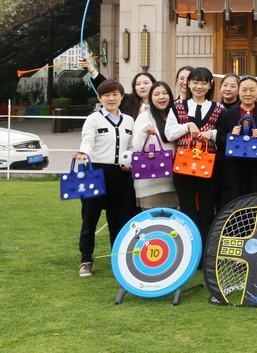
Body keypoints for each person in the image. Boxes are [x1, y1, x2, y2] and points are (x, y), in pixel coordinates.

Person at [72, 80, 138, 277]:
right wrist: (83, 153)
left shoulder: (129, 120)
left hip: (120, 174)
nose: (111, 98)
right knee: (90, 218)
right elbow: (88, 141)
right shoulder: (93, 119)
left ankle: (117, 258)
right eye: (107, 95)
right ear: (100, 98)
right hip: (95, 172)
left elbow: (132, 146)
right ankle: (86, 260)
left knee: (118, 219)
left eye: (115, 94)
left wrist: (130, 160)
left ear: (121, 96)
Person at [165, 66, 221, 243]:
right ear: (188, 84)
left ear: (210, 85)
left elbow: (225, 133)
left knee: (206, 211)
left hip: (208, 168)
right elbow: (169, 133)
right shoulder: (177, 106)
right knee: (187, 211)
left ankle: (205, 252)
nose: (199, 87)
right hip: (183, 166)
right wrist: (187, 126)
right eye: (195, 82)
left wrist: (212, 133)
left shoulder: (218, 109)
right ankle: (189, 251)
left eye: (203, 83)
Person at [216, 76, 257, 208]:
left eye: (252, 90)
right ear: (238, 92)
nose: (248, 93)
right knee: (231, 203)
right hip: (232, 168)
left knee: (255, 203)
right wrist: (231, 136)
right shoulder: (227, 114)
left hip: (256, 168)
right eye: (244, 90)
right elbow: (219, 140)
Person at [131, 81, 179, 210]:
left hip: (175, 183)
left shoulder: (176, 117)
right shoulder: (144, 117)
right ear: (151, 98)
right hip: (150, 186)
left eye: (165, 93)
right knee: (153, 227)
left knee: (173, 227)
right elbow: (137, 146)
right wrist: (143, 130)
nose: (161, 97)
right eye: (156, 94)